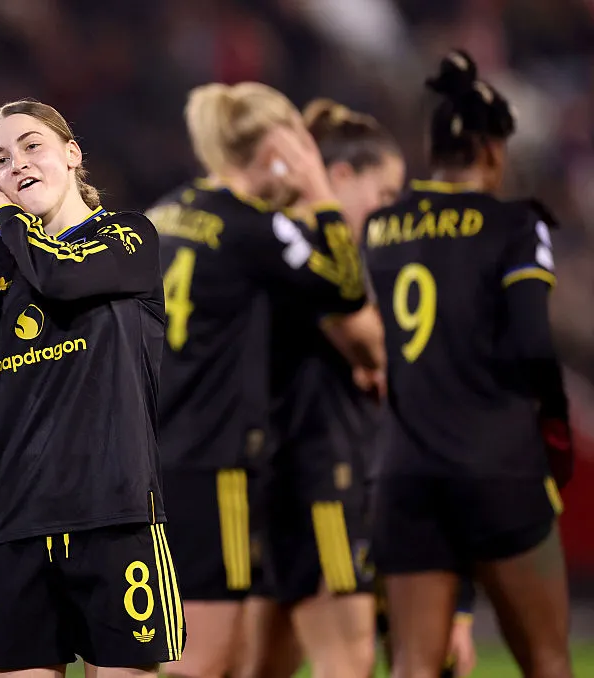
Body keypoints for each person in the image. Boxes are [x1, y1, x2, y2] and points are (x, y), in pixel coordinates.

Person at [0, 99, 184, 678]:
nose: (15, 164)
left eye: (31, 145)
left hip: (113, 519)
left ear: (72, 154)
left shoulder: (128, 237)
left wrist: (7, 223)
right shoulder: (6, 265)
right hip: (15, 525)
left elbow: (63, 274)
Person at [145, 82, 381, 678]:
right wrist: (321, 194)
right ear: (277, 147)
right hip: (213, 460)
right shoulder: (252, 228)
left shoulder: (159, 215)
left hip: (145, 454)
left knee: (155, 649)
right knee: (204, 659)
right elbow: (345, 286)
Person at [365, 50, 573, 678]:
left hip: (405, 472)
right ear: (491, 151)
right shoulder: (513, 225)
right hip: (498, 467)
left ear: (432, 151)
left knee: (413, 665)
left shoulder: (380, 228)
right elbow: (534, 344)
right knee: (546, 659)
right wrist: (555, 427)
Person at [260, 98, 403, 678]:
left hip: (271, 467)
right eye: (386, 194)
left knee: (261, 662)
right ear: (339, 176)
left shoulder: (267, 237)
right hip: (323, 469)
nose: (389, 211)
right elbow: (370, 341)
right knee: (348, 659)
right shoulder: (311, 245)